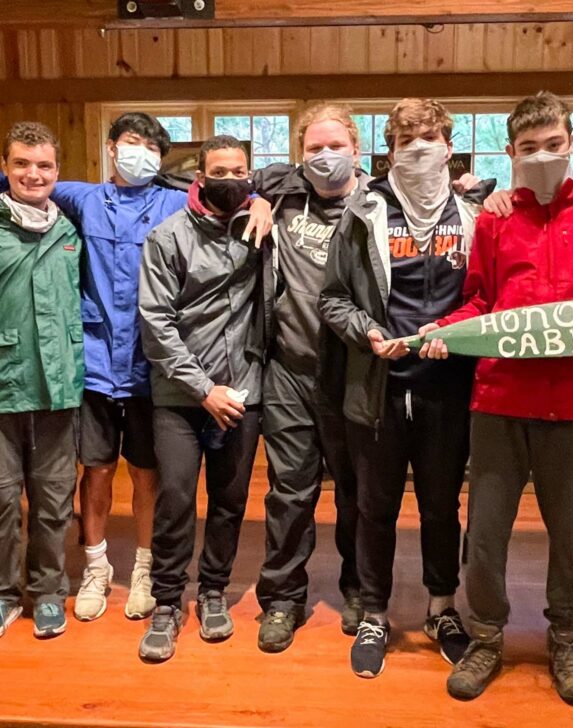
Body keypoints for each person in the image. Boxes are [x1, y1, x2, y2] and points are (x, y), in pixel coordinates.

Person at [419, 92, 573, 706]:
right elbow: (480, 302)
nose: (542, 156)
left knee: (570, 530)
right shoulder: (494, 219)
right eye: (528, 149)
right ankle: (486, 635)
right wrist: (448, 332)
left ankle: (566, 639)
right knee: (486, 534)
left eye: (553, 146)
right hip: (498, 399)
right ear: (511, 153)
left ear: (570, 145)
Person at [0, 113, 186, 622]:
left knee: (148, 474)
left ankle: (145, 568)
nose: (141, 154)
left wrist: (258, 201)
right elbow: (21, 178)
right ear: (111, 148)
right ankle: (95, 567)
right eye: (132, 143)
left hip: (151, 367)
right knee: (95, 471)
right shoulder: (81, 198)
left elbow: (229, 191)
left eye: (152, 147)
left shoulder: (174, 200)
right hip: (94, 366)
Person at [320, 98, 481, 679]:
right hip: (379, 388)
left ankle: (442, 608)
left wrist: (458, 332)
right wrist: (365, 330)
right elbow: (331, 297)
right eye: (406, 139)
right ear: (389, 149)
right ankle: (373, 611)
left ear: (447, 142)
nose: (419, 148)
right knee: (374, 508)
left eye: (429, 136)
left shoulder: (474, 215)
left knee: (441, 507)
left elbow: (487, 295)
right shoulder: (361, 213)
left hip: (447, 386)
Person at [0, 122, 85, 644]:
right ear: (4, 169)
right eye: (22, 164)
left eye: (44, 165)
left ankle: (49, 591)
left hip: (58, 386)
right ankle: (1, 595)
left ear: (57, 170)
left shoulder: (70, 231)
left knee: (53, 499)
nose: (34, 174)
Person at [137, 135, 265, 664]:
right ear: (200, 176)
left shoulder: (262, 225)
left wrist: (264, 203)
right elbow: (155, 321)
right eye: (220, 171)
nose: (230, 179)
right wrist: (203, 388)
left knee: (231, 501)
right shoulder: (167, 237)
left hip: (247, 390)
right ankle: (168, 601)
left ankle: (214, 589)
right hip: (181, 396)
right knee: (175, 499)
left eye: (239, 171)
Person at [246, 103, 367, 651]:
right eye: (314, 148)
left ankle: (361, 589)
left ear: (356, 149)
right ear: (299, 154)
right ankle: (282, 599)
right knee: (289, 494)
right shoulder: (281, 193)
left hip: (354, 373)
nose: (324, 157)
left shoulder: (377, 202)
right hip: (288, 373)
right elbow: (196, 179)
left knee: (357, 493)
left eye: (334, 146)